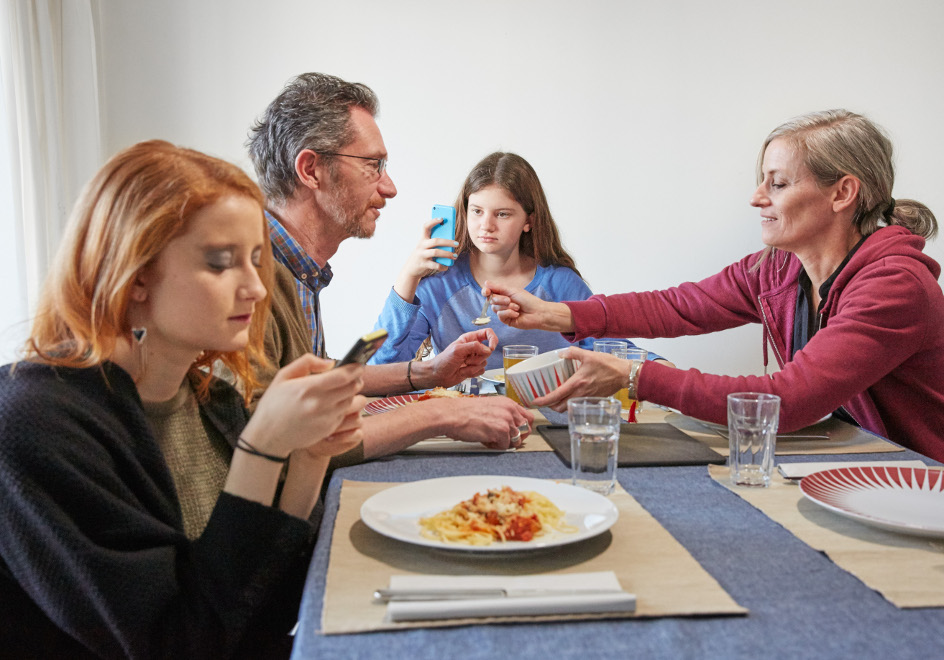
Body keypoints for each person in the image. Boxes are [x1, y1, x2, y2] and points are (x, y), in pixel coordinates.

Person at [0, 140, 367, 658]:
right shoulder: (36, 424)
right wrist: (260, 449)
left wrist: (310, 457)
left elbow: (268, 605)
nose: (257, 289)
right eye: (221, 263)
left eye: (256, 261)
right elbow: (173, 643)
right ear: (137, 274)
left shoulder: (211, 400)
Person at [488, 109, 944, 476]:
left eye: (777, 183)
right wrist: (557, 313)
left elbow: (785, 401)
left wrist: (636, 377)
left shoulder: (894, 286)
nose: (756, 198)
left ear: (842, 193)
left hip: (941, 486)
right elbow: (677, 306)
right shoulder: (777, 268)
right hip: (864, 468)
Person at [245, 73, 533, 452]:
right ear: (311, 170)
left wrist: (428, 372)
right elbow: (273, 441)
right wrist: (443, 414)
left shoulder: (297, 270)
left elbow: (312, 379)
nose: (389, 187)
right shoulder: (250, 279)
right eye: (373, 164)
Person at [370, 151, 662, 370]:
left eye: (503, 214)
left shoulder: (559, 284)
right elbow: (384, 370)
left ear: (528, 221)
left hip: (544, 423)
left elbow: (609, 347)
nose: (486, 225)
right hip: (463, 422)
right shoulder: (438, 285)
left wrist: (661, 372)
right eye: (477, 211)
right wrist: (407, 278)